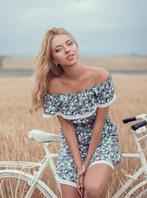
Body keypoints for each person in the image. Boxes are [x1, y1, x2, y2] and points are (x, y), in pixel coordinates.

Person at [30, 27, 121, 198]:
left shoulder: (101, 76)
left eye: (69, 43)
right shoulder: (54, 86)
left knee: (92, 188)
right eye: (58, 49)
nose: (67, 50)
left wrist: (87, 164)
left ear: (76, 45)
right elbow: (67, 128)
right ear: (54, 60)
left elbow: (99, 123)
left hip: (101, 140)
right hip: (72, 147)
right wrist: (80, 167)